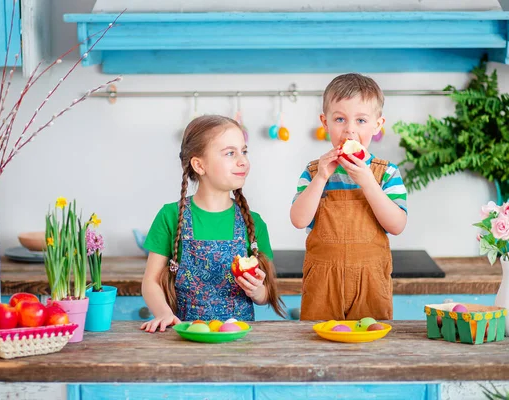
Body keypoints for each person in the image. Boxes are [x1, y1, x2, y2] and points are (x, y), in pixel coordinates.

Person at [141, 115, 284, 332]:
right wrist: (164, 313)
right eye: (230, 153)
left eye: (244, 151)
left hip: (238, 342)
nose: (242, 160)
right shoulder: (170, 216)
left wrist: (257, 291)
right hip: (185, 337)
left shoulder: (253, 223)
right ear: (199, 165)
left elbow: (266, 295)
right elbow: (150, 282)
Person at [290, 73, 408, 321]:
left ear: (377, 125)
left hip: (371, 283)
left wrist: (367, 181)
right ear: (325, 123)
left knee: (370, 347)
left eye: (361, 120)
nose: (350, 129)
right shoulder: (314, 172)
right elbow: (299, 220)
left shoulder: (386, 173)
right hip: (322, 283)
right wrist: (321, 178)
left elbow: (397, 225)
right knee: (318, 344)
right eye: (340, 119)